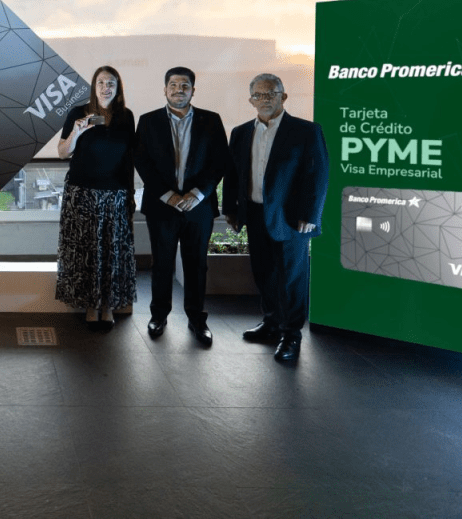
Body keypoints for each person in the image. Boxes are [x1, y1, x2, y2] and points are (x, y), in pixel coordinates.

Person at [223, 73, 329, 362]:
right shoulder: (241, 132)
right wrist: (231, 210)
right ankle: (271, 323)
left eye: (271, 94)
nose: (265, 99)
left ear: (283, 97)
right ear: (251, 101)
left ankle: (291, 335)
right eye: (258, 95)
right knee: (264, 273)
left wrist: (311, 214)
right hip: (255, 215)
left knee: (292, 279)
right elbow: (233, 174)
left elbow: (318, 175)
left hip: (292, 219)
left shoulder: (306, 131)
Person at [134, 67, 229, 346]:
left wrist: (197, 194)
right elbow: (142, 161)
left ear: (193, 90)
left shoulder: (211, 120)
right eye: (173, 85)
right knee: (161, 263)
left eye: (184, 85)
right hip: (162, 206)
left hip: (198, 206)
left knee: (197, 264)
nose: (178, 90)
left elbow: (219, 161)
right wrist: (168, 195)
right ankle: (158, 315)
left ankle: (197, 319)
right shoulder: (148, 121)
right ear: (164, 90)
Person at [55, 66, 137, 329]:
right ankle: (91, 306)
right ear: (94, 86)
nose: (106, 88)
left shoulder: (126, 116)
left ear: (118, 87)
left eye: (111, 82)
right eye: (101, 82)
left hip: (114, 194)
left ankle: (108, 306)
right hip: (82, 193)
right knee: (86, 252)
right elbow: (62, 152)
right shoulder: (78, 113)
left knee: (111, 253)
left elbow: (129, 160)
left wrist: (130, 195)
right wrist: (77, 132)